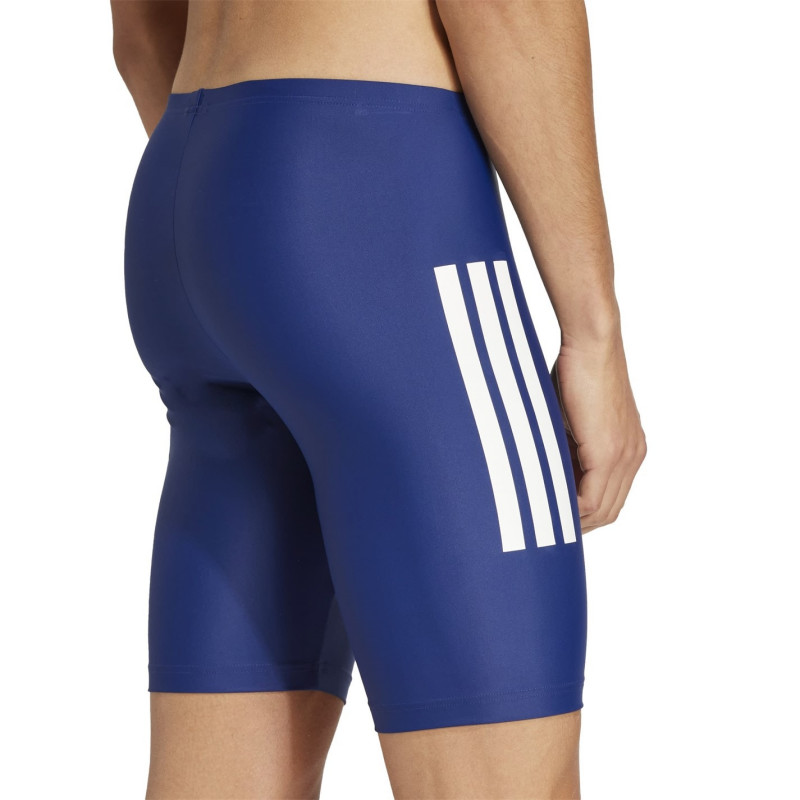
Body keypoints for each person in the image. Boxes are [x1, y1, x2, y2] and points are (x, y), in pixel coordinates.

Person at [111, 1, 646, 797]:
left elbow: (141, 26)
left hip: (191, 188)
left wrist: (247, 211)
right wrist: (593, 330)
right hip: (375, 200)